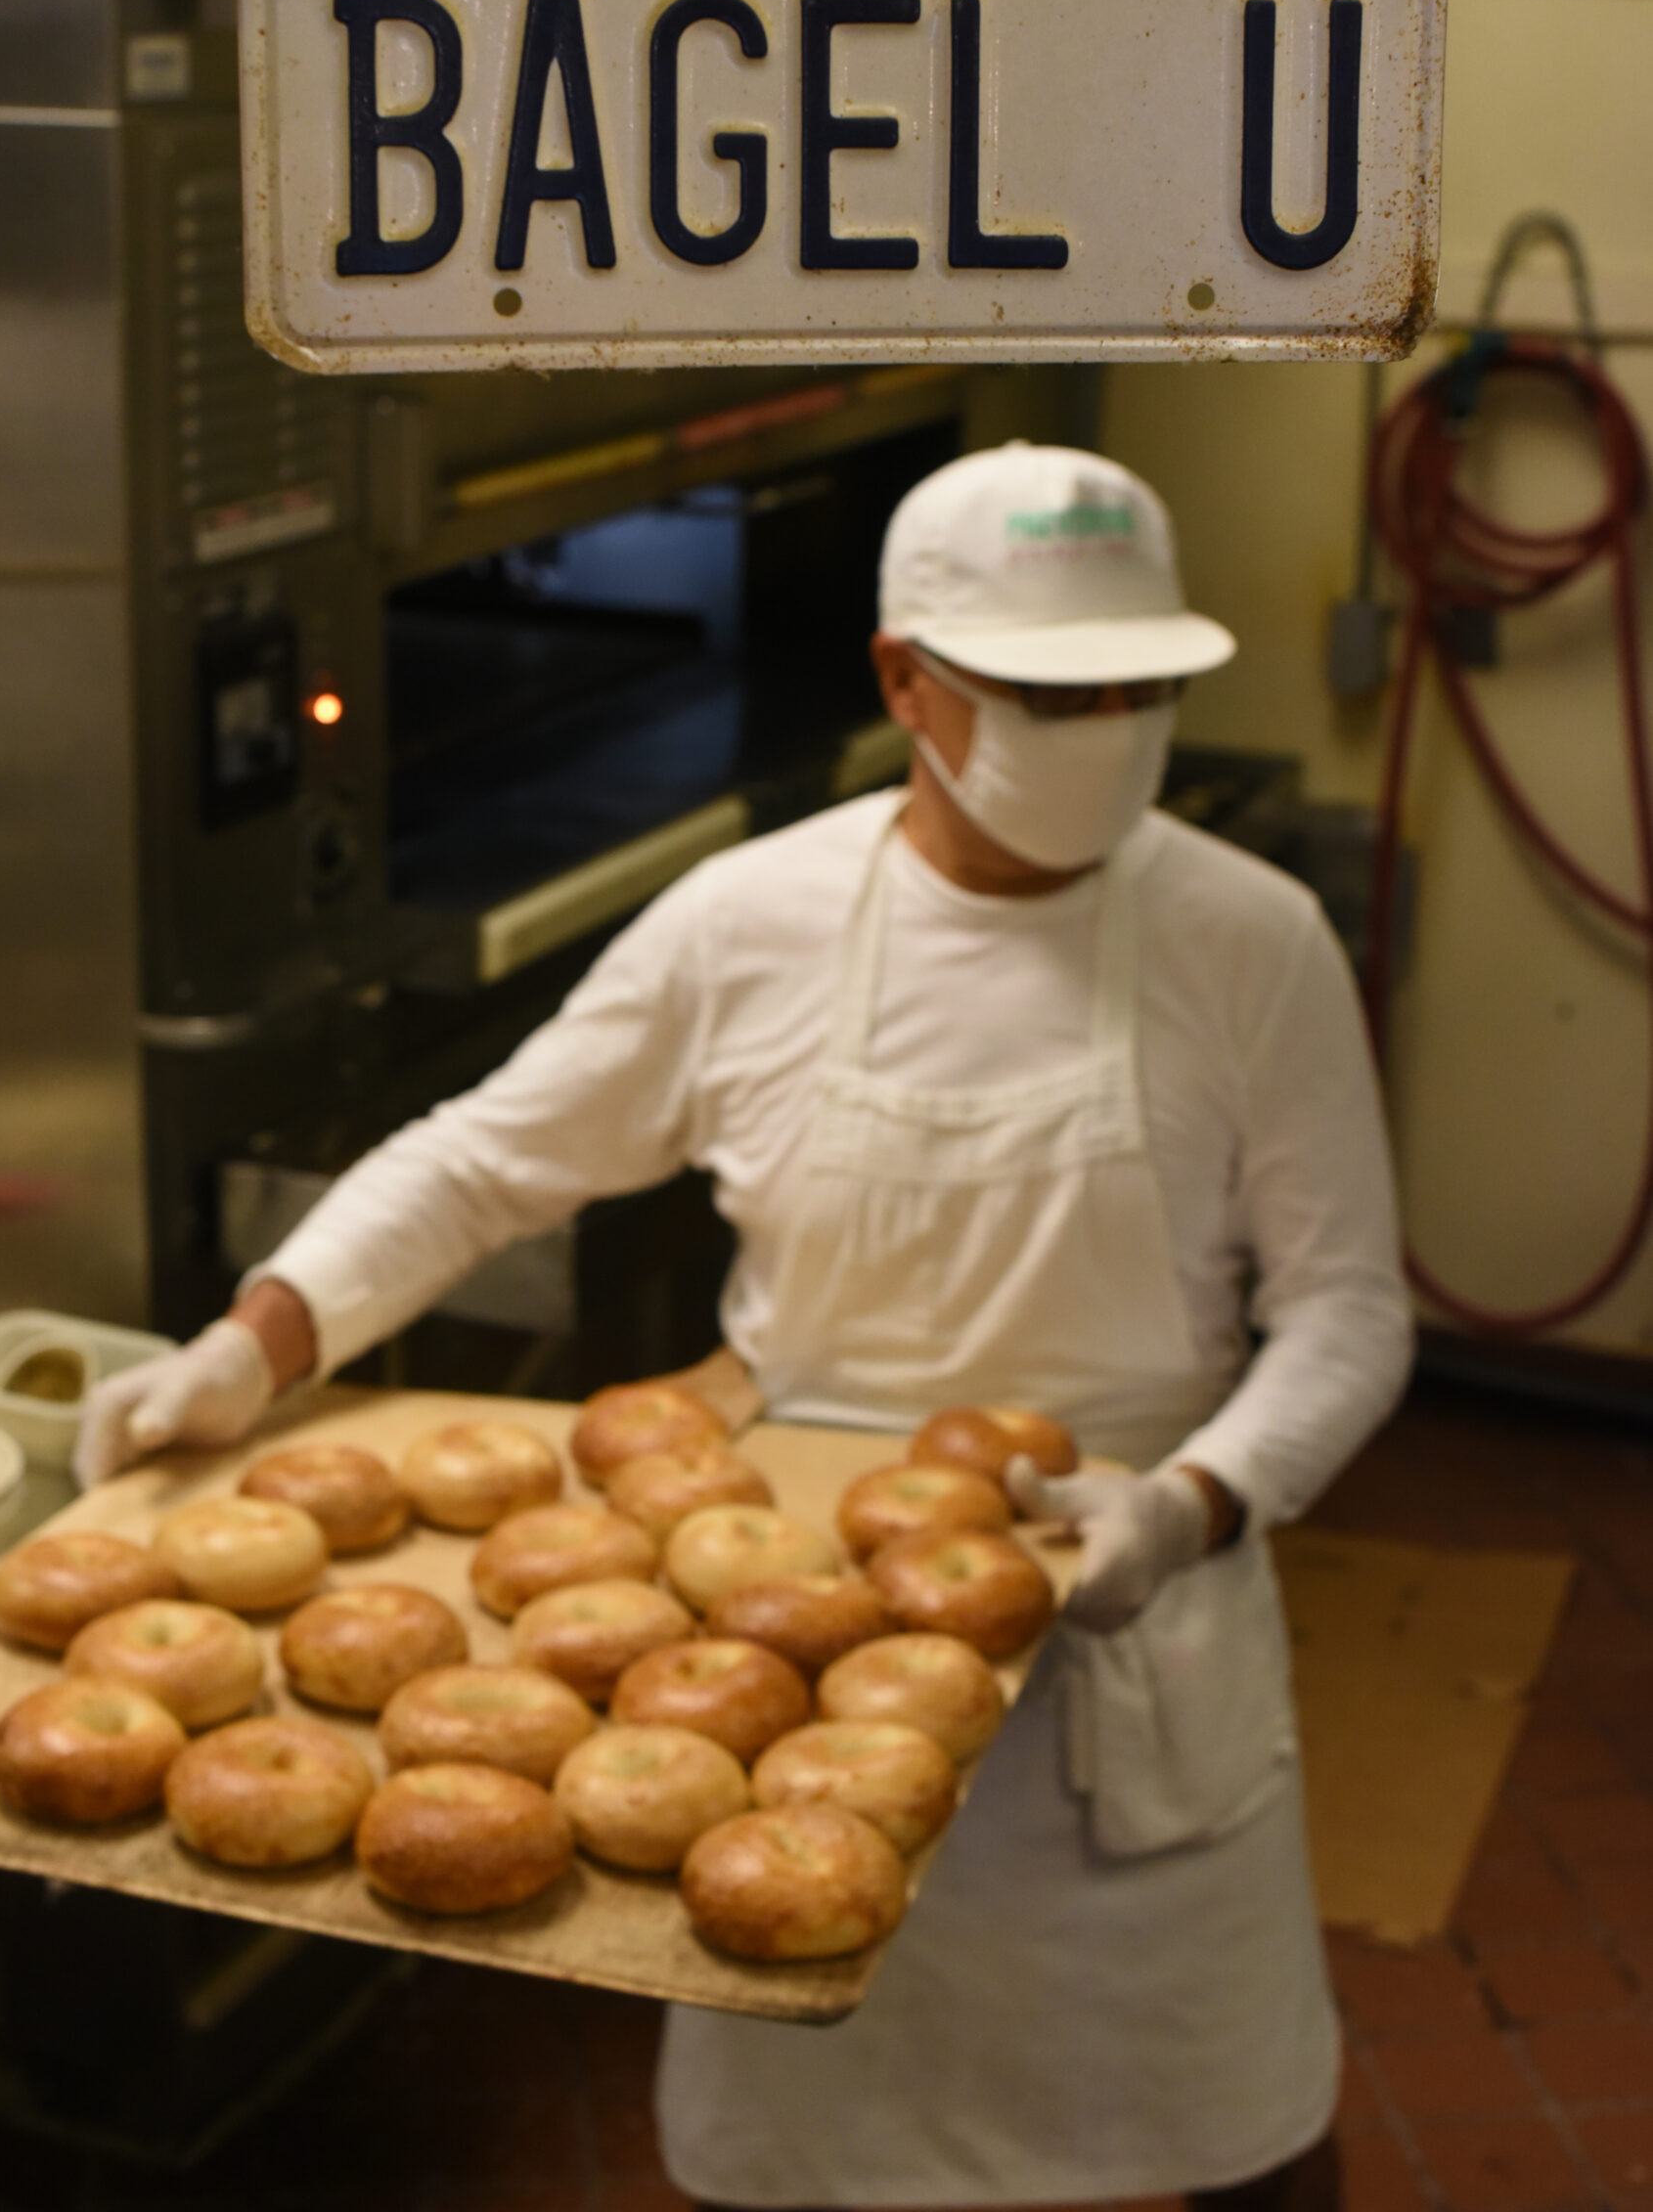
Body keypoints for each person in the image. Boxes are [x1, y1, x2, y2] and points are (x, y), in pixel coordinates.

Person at [77, 442, 1410, 2212]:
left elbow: (1346, 1313)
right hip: (769, 1650)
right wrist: (255, 1340)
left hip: (1127, 1637)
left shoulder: (1254, 942)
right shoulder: (750, 923)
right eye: (1048, 692)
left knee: (1239, 2133)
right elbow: (484, 1162)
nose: (1108, 724)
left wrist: (1194, 1504)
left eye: (1139, 686)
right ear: (904, 684)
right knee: (800, 2145)